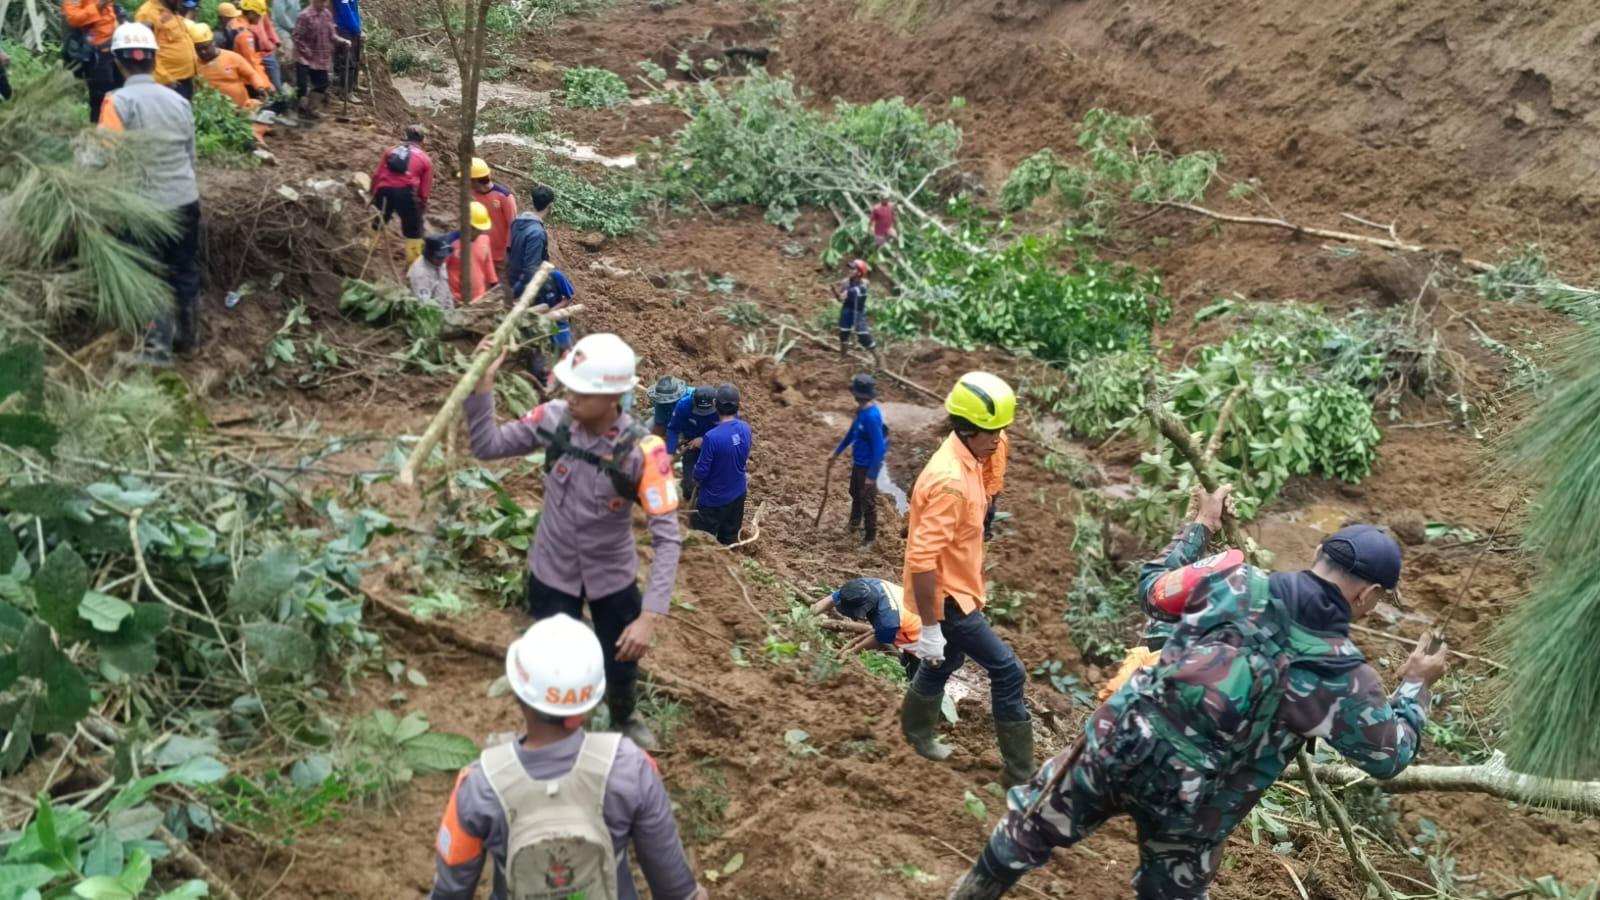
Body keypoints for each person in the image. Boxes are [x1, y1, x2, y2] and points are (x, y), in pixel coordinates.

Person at [949, 500, 1452, 900]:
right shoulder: (1344, 676)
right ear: (1366, 595)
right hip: (1195, 807)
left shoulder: (1230, 576)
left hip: (1117, 745)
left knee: (1024, 833)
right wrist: (1416, 684)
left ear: (1319, 557)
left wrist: (1200, 526)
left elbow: (1151, 591)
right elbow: (1392, 756)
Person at [463, 333, 681, 749]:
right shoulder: (552, 419)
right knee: (550, 662)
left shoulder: (644, 453)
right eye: (571, 385)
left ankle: (622, 714)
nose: (572, 395)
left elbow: (668, 539)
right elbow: (486, 445)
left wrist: (649, 617)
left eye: (584, 390)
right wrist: (482, 385)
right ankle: (549, 737)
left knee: (620, 656)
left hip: (611, 579)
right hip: (552, 571)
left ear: (615, 394)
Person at [428, 614, 707, 900]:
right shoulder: (631, 768)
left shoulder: (478, 786)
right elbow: (677, 890)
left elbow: (450, 893)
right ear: (588, 705)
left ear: (519, 693)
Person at [899, 372, 1032, 788]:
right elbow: (921, 560)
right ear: (967, 429)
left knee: (945, 663)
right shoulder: (950, 484)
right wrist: (932, 627)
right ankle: (1019, 776)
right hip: (947, 599)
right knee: (1009, 673)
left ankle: (915, 734)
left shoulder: (977, 453)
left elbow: (992, 484)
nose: (999, 440)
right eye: (992, 433)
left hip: (963, 586)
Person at [99, 22, 201, 365]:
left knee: (149, 273)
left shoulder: (117, 101)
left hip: (146, 207)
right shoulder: (178, 100)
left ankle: (157, 348)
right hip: (185, 198)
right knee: (184, 267)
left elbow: (101, 155)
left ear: (118, 62)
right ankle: (188, 337)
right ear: (154, 61)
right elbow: (191, 153)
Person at [830, 373, 888, 545]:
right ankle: (854, 523)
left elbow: (879, 447)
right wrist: (836, 452)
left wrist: (872, 474)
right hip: (858, 463)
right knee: (855, 493)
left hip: (867, 466)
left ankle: (870, 537)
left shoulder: (872, 417)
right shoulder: (861, 412)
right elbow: (852, 433)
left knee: (868, 501)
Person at [691, 385, 751, 546]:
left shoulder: (711, 437)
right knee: (729, 540)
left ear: (716, 405)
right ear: (737, 405)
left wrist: (695, 476)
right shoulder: (745, 428)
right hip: (738, 493)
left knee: (702, 541)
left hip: (713, 499)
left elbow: (701, 472)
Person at [812, 577, 921, 663]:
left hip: (923, 642)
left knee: (921, 677)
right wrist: (806, 617)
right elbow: (830, 600)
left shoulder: (887, 622)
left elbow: (877, 640)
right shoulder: (862, 586)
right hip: (917, 610)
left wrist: (851, 652)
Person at [370, 124, 433, 264]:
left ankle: (368, 250)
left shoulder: (390, 151)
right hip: (405, 193)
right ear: (422, 141)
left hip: (384, 190)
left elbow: (377, 175)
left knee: (378, 222)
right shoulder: (425, 159)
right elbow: (424, 189)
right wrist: (422, 205)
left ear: (406, 137)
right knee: (414, 231)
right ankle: (413, 262)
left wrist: (373, 192)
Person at [63, 0, 121, 121]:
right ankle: (98, 132)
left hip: (116, 49)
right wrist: (98, 6)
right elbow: (74, 18)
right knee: (100, 99)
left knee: (120, 95)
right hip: (97, 54)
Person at [192, 22, 270, 110]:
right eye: (198, 49)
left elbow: (251, 74)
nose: (203, 52)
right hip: (214, 112)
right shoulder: (194, 63)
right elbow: (195, 87)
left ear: (213, 42)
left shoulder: (232, 57)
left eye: (205, 48)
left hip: (242, 108)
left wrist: (259, 87)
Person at [665, 386, 719, 506]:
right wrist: (669, 453)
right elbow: (673, 429)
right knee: (689, 486)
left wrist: (704, 440)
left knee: (714, 486)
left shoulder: (723, 406)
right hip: (691, 447)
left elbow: (729, 431)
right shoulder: (683, 406)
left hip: (716, 448)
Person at [134, 0, 199, 96]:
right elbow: (145, 51)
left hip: (185, 80)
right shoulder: (147, 14)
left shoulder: (172, 10)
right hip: (168, 84)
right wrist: (164, 79)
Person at [504, 184, 555, 303]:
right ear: (551, 205)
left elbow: (509, 249)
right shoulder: (537, 233)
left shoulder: (517, 222)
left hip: (512, 278)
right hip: (523, 288)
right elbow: (531, 268)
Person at [291, 0, 343, 117]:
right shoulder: (304, 16)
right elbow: (297, 37)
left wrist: (342, 41)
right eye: (320, 2)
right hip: (304, 56)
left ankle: (310, 109)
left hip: (320, 57)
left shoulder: (327, 14)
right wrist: (307, 51)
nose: (323, 5)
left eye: (325, 2)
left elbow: (332, 35)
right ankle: (295, 110)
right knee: (302, 85)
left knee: (322, 83)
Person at [468, 157, 517, 269]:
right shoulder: (472, 196)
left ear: (475, 180)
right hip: (480, 252)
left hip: (500, 256)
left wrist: (509, 250)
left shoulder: (504, 197)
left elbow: (512, 225)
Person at [447, 202, 498, 303]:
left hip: (479, 297)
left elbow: (487, 262)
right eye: (475, 229)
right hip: (457, 299)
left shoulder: (485, 239)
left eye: (481, 230)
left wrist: (493, 282)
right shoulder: (451, 244)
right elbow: (441, 271)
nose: (478, 233)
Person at [836, 258, 878, 363]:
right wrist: (840, 297)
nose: (849, 271)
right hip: (847, 309)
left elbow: (858, 290)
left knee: (863, 336)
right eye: (850, 268)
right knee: (843, 333)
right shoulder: (846, 282)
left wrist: (847, 293)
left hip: (858, 311)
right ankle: (843, 357)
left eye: (852, 269)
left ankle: (880, 360)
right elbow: (842, 297)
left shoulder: (864, 283)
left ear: (859, 273)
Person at [239, 0, 282, 90]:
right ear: (251, 13)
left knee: (276, 84)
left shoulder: (259, 10)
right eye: (258, 16)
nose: (259, 18)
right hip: (254, 56)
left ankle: (279, 97)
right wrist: (267, 85)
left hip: (267, 53)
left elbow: (268, 27)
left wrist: (276, 42)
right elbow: (252, 60)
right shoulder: (243, 30)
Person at [408, 235, 453, 308]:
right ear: (429, 255)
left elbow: (447, 291)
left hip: (443, 308)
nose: (443, 260)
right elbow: (424, 305)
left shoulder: (440, 263)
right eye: (439, 257)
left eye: (444, 257)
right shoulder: (420, 274)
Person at [330, 0, 359, 96]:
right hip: (344, 29)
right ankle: (346, 92)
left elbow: (355, 9)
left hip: (354, 28)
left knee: (354, 59)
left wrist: (358, 27)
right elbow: (342, 11)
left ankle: (353, 86)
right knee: (348, 61)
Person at [983, 430, 1007, 541]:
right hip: (984, 483)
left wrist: (988, 494)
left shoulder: (996, 439)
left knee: (986, 513)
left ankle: (985, 535)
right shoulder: (993, 435)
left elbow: (997, 471)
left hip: (988, 486)